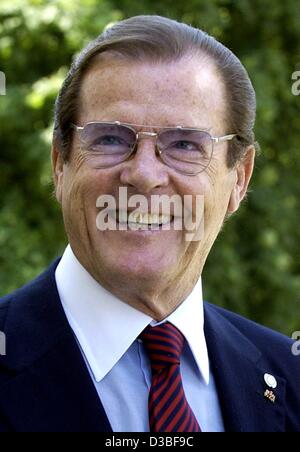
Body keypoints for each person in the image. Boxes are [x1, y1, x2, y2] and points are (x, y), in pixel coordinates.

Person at [0, 15, 299, 433]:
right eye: (110, 139)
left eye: (183, 145)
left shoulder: (290, 377)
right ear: (60, 165)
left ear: (239, 179)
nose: (143, 174)